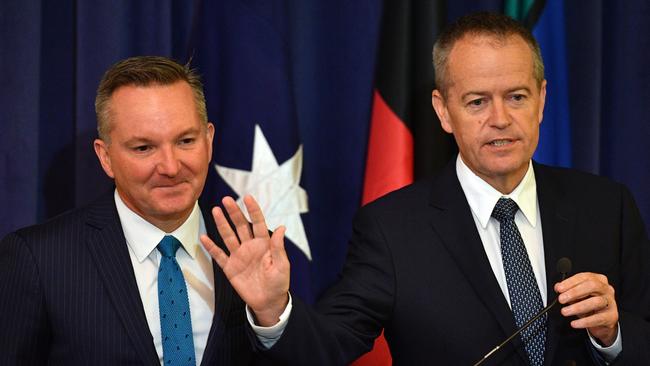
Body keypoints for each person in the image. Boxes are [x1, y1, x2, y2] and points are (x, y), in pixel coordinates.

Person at [200, 13, 650, 365]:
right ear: (443, 111)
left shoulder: (607, 207)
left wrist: (613, 336)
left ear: (542, 99)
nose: (500, 119)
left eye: (516, 96)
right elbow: (329, 346)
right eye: (477, 102)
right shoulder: (393, 229)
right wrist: (274, 311)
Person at [0, 56, 256, 365]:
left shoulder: (255, 250)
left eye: (185, 141)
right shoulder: (38, 260)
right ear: (105, 157)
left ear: (209, 140)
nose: (171, 167)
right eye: (143, 148)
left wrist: (274, 316)